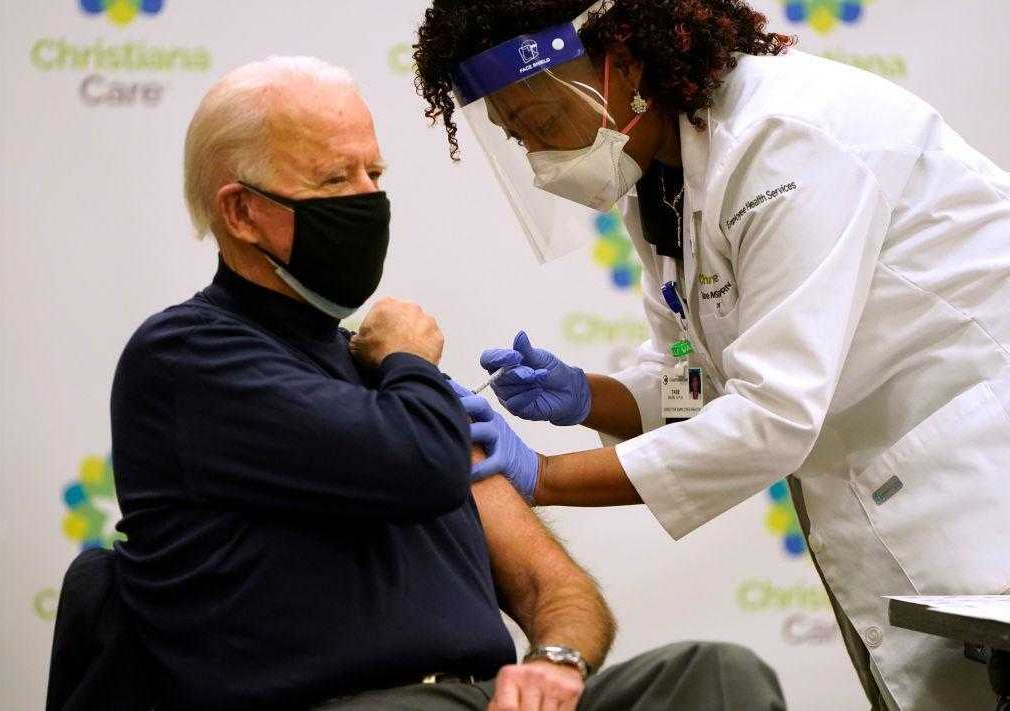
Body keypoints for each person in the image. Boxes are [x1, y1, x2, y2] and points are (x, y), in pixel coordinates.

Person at [110, 56, 786, 711]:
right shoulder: (192, 356)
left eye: (373, 172)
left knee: (715, 676)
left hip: (486, 697)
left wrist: (554, 663)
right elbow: (424, 462)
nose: (368, 198)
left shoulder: (385, 374)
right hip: (350, 702)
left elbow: (555, 584)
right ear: (242, 211)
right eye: (333, 180)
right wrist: (411, 364)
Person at [412, 2, 1010, 709]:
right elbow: (696, 382)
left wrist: (541, 475)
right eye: (518, 139)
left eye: (543, 122)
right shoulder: (663, 178)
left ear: (624, 63)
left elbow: (772, 414)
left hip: (974, 487)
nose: (543, 162)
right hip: (878, 508)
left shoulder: (781, 140)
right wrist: (587, 395)